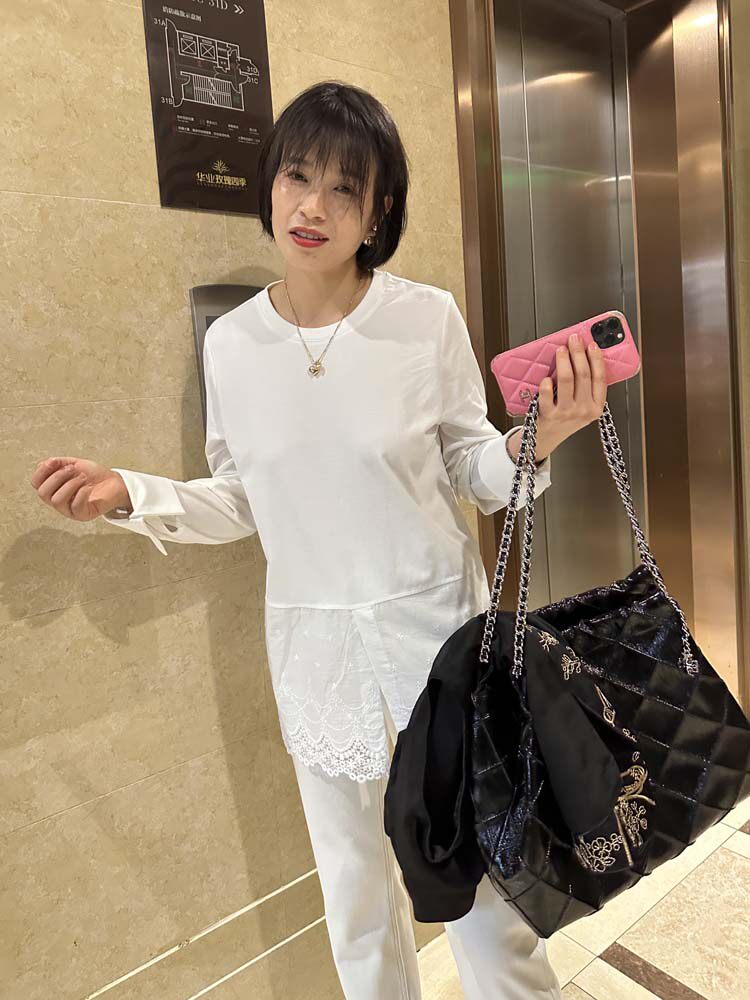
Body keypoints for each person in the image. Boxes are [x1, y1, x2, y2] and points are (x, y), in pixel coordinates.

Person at [31, 81, 607, 1000]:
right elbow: (242, 498)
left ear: (379, 212)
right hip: (314, 655)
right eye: (297, 177)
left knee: (487, 898)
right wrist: (130, 493)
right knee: (354, 901)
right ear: (269, 184)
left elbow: (472, 469)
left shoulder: (424, 319)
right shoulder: (233, 344)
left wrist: (541, 436)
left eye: (345, 188)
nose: (313, 207)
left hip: (436, 647)